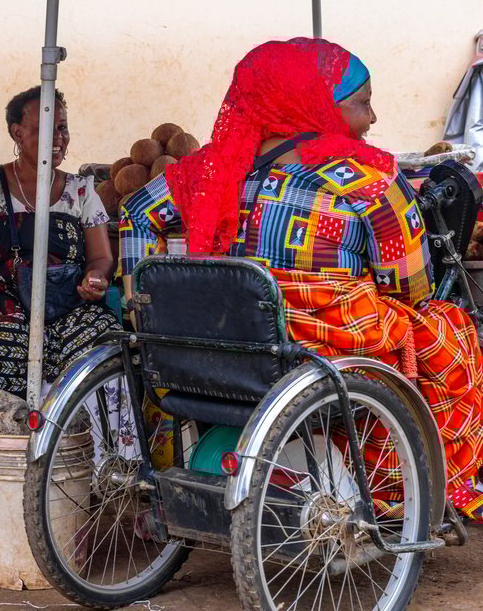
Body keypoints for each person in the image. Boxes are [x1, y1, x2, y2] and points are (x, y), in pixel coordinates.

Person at [119, 38, 483, 520]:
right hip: (325, 356)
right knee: (447, 329)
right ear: (315, 105)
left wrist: (141, 303)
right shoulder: (367, 179)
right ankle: (410, 492)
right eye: (363, 103)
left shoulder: (213, 169)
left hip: (219, 351)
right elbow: (409, 289)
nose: (371, 119)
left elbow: (136, 213)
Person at [0, 87, 119, 396]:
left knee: (104, 355)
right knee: (0, 348)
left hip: (66, 308)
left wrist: (95, 277)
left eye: (62, 127)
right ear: (17, 133)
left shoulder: (81, 190)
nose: (58, 137)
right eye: (45, 129)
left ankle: (83, 443)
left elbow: (101, 258)